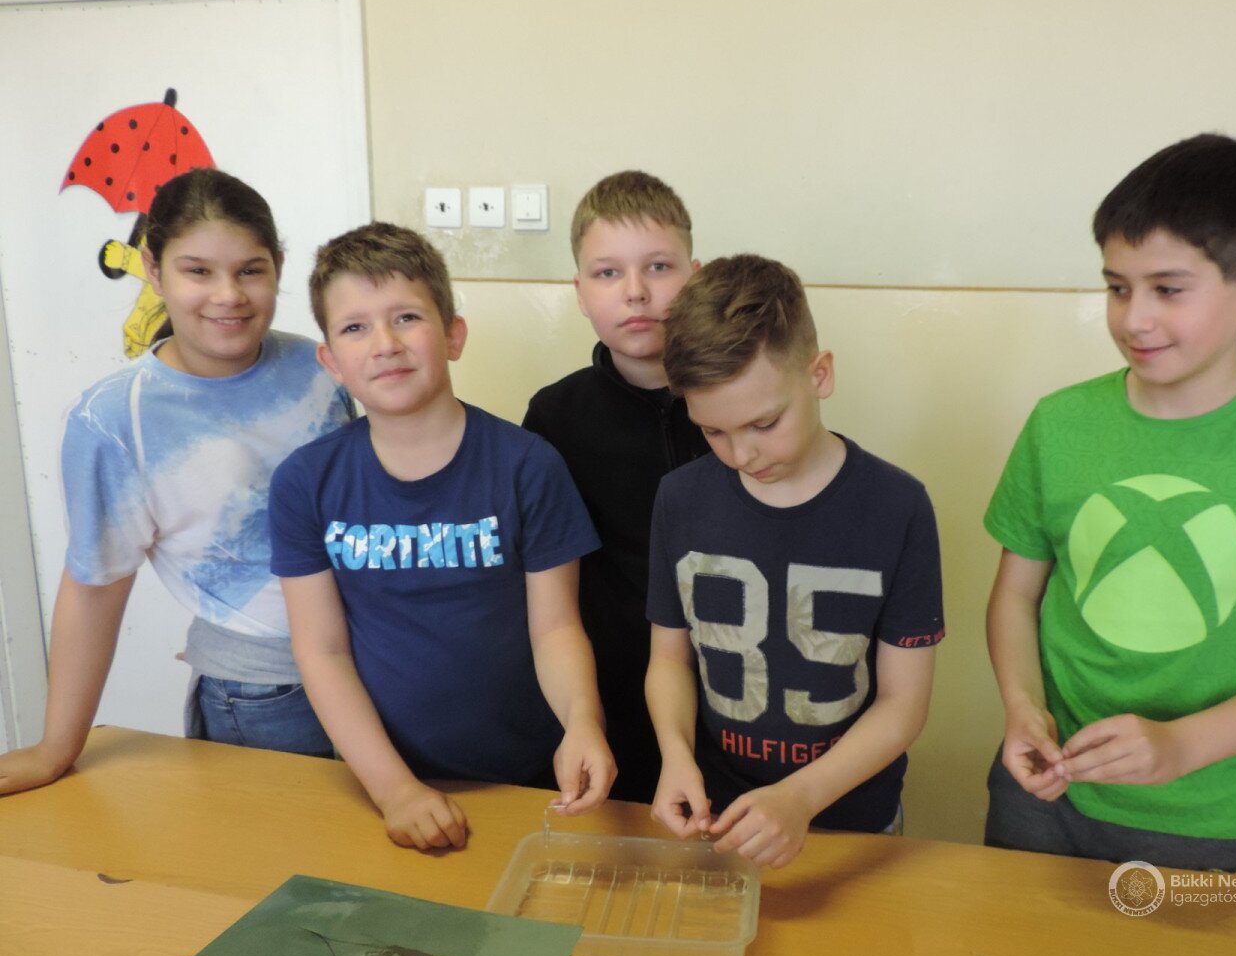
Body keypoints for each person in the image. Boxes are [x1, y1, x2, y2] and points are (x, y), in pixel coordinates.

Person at [982, 133, 1236, 873]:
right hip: (1043, 795)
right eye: (1117, 287)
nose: (1134, 319)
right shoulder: (1058, 423)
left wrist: (1179, 746)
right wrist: (1021, 706)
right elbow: (1016, 595)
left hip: (1205, 818)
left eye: (1168, 289)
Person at [0, 168, 353, 797]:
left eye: (250, 270)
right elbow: (95, 587)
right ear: (154, 271)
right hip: (266, 694)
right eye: (198, 271)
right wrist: (57, 747)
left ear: (278, 267)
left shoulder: (322, 365)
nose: (228, 295)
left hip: (378, 665)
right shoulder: (114, 419)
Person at [269, 222, 615, 852]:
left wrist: (582, 723)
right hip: (383, 780)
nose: (385, 344)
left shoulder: (528, 465)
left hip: (532, 777)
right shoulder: (304, 482)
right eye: (355, 327)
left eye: (406, 317)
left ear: (453, 335)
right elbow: (322, 651)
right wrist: (394, 790)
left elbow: (556, 628)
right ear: (332, 362)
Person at [645, 254, 945, 868]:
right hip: (719, 816)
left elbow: (904, 703)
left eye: (764, 423)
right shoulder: (679, 499)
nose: (742, 455)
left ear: (819, 374)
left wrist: (800, 798)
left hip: (853, 821)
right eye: (713, 432)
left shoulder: (898, 506)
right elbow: (669, 660)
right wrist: (675, 754)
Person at [523, 171, 709, 802]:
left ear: (695, 276)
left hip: (736, 708)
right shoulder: (555, 418)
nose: (636, 292)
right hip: (608, 706)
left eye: (658, 266)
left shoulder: (743, 406)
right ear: (580, 292)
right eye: (608, 273)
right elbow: (550, 594)